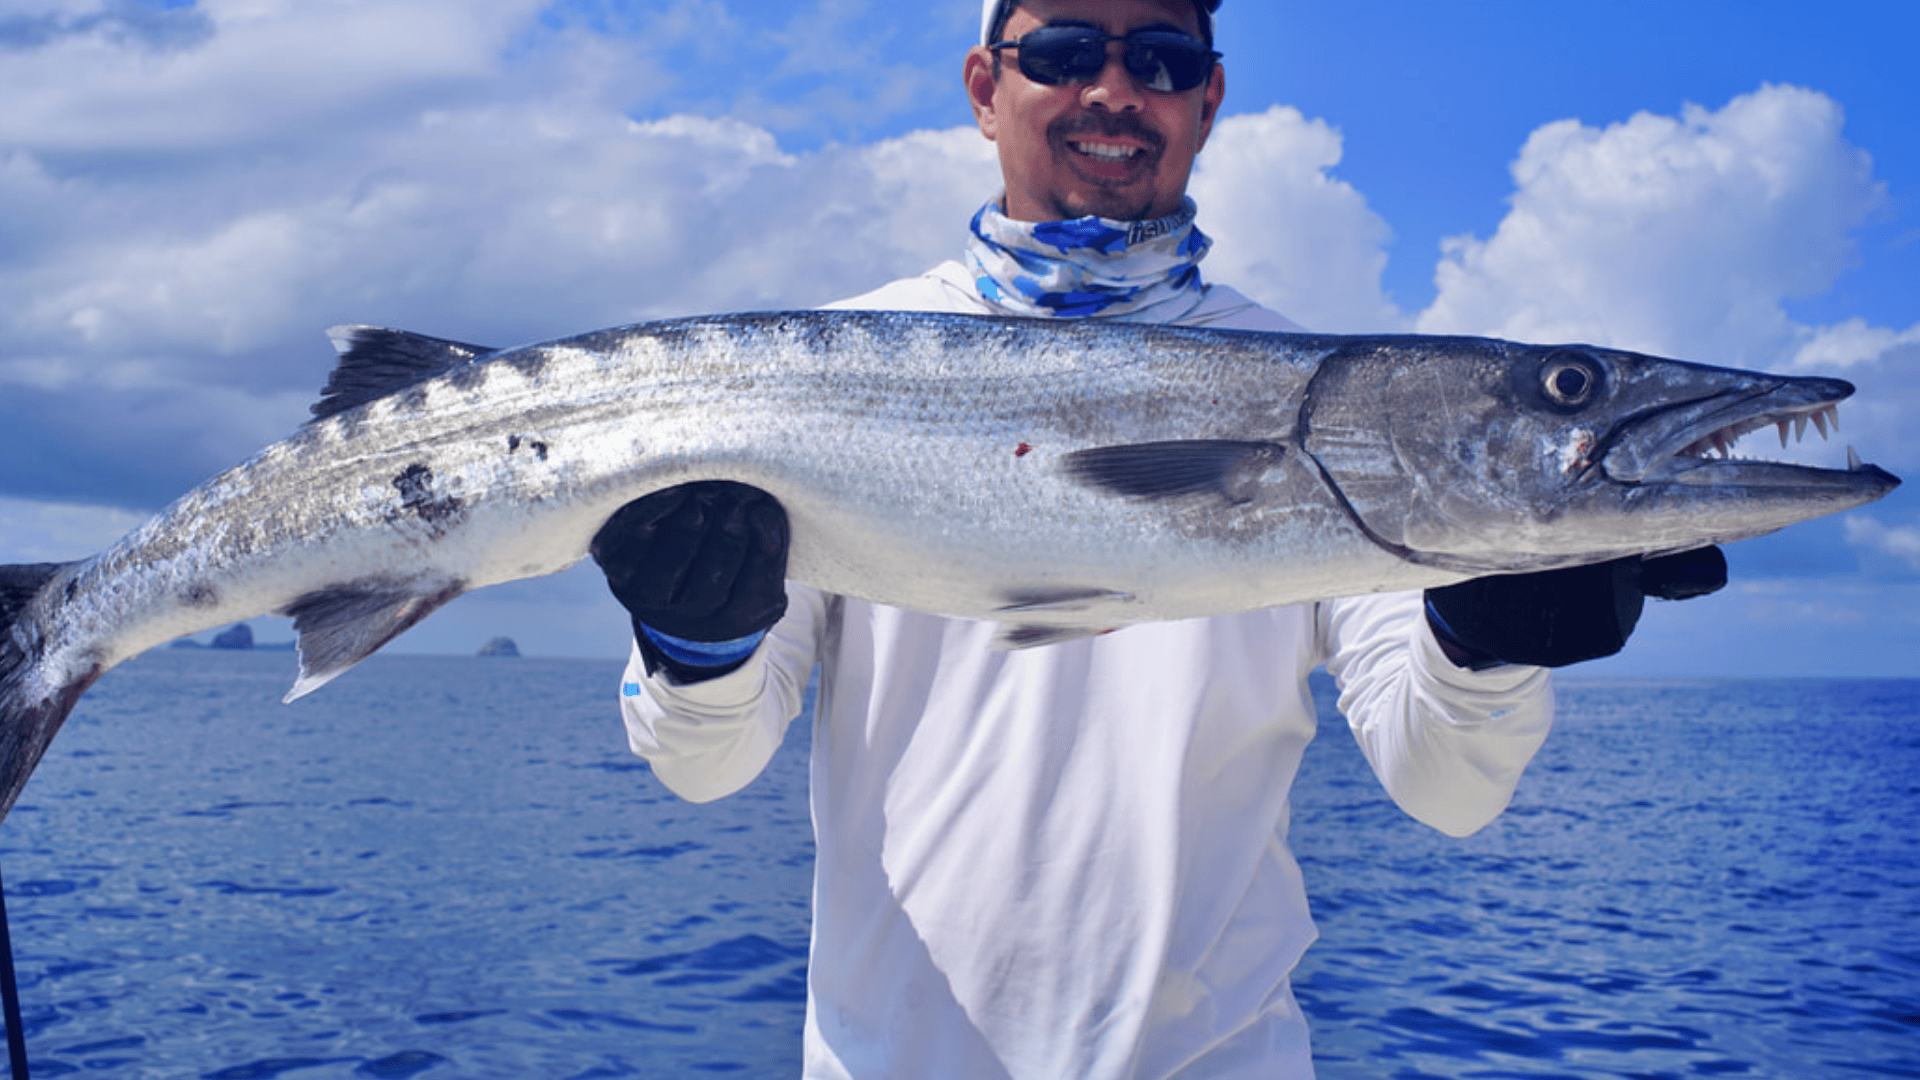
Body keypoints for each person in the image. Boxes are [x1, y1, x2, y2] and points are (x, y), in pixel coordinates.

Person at [590, 1, 1726, 1076]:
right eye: (1067, 50)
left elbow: (1449, 788)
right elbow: (704, 762)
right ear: (986, 87)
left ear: (1210, 99)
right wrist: (694, 646)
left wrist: (1485, 648)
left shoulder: (1347, 412)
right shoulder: (814, 371)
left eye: (1163, 60)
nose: (1115, 89)